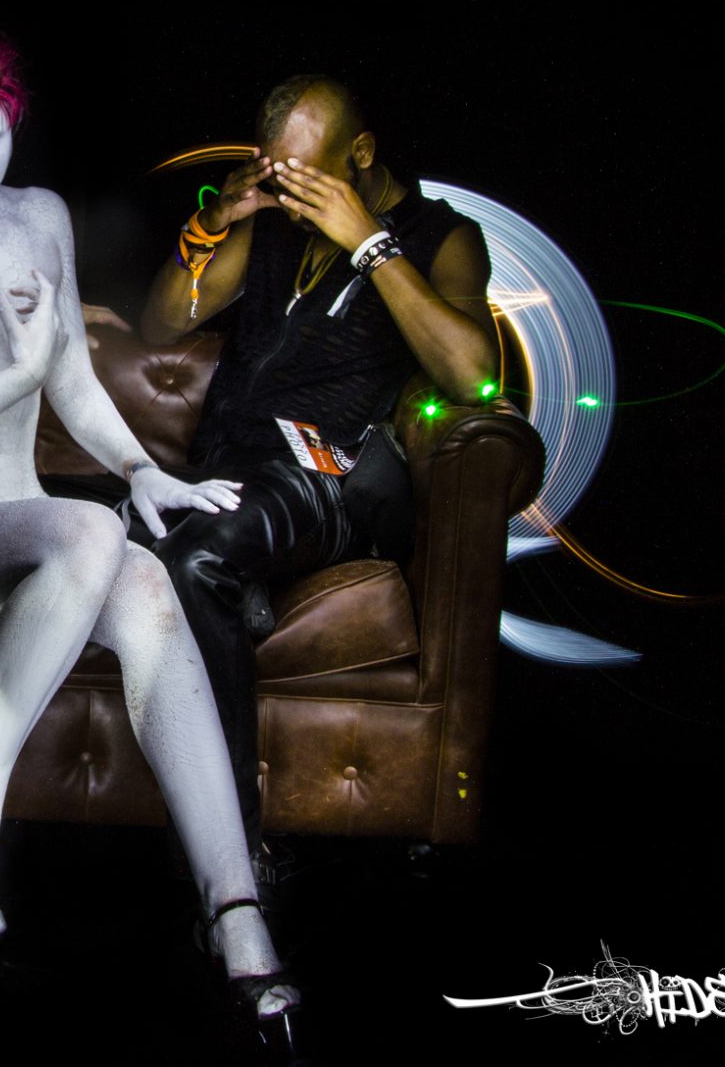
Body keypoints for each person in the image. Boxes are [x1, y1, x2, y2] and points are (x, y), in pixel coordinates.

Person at [0, 20, 300, 1034]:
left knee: (144, 576)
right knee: (91, 535)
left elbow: (75, 380)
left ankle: (234, 912)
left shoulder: (40, 215)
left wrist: (141, 469)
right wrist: (15, 372)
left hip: (29, 545)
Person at [136, 74, 499, 859]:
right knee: (92, 528)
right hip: (223, 472)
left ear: (360, 153)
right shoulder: (272, 225)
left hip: (320, 482)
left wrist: (369, 244)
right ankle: (244, 587)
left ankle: (234, 853)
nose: (292, 199)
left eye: (307, 179)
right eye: (279, 177)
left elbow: (476, 377)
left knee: (195, 561)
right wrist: (211, 222)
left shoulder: (441, 236)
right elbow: (161, 325)